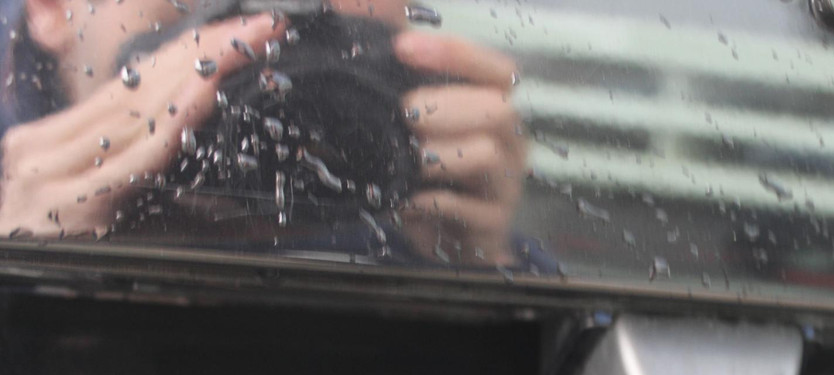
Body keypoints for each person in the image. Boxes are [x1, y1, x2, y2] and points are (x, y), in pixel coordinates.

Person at [0, 0, 527, 265]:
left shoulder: (417, 213)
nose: (276, 13)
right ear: (50, 7)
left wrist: (475, 270)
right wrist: (27, 270)